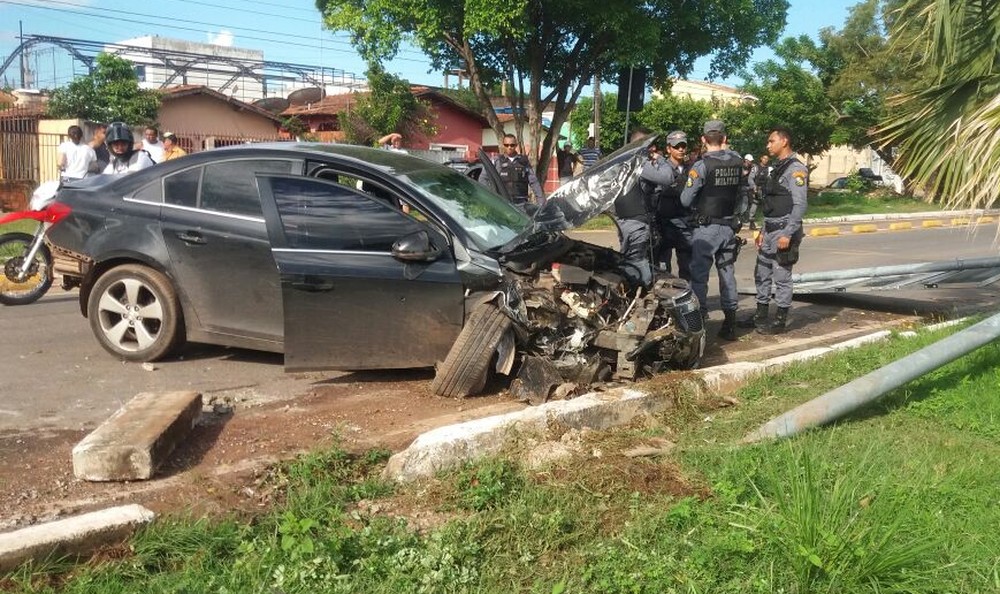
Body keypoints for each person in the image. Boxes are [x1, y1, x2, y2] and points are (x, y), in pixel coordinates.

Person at [679, 119, 748, 341]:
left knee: (699, 276)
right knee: (727, 273)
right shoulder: (738, 163)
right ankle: (730, 323)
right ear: (725, 139)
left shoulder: (701, 166)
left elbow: (685, 199)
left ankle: (699, 322)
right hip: (729, 227)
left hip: (706, 229)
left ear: (703, 139)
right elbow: (744, 195)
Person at [740, 126, 808, 334]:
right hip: (769, 229)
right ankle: (760, 315)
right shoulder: (779, 167)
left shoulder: (796, 169)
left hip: (783, 230)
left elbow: (800, 204)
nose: (767, 145)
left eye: (771, 141)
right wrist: (762, 230)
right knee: (761, 274)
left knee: (782, 277)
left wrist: (788, 233)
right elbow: (771, 203)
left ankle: (780, 320)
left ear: (784, 141)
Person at [640, 130, 692, 280]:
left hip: (685, 222)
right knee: (663, 269)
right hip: (664, 224)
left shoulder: (691, 168)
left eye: (683, 146)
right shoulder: (659, 168)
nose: (681, 149)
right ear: (669, 148)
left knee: (688, 268)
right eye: (677, 146)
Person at [489, 133, 545, 212]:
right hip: (502, 203)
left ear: (516, 145)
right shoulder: (497, 161)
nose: (509, 147)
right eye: (506, 145)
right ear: (503, 145)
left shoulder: (523, 162)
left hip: (521, 204)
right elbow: (484, 178)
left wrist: (541, 203)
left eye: (512, 145)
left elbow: (534, 182)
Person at [746, 154, 771, 230]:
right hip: (756, 189)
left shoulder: (769, 169)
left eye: (767, 159)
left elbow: (770, 179)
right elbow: (750, 178)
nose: (765, 160)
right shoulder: (756, 168)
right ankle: (751, 222)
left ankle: (766, 223)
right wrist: (754, 187)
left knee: (766, 206)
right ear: (761, 158)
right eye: (764, 158)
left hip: (765, 190)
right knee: (754, 204)